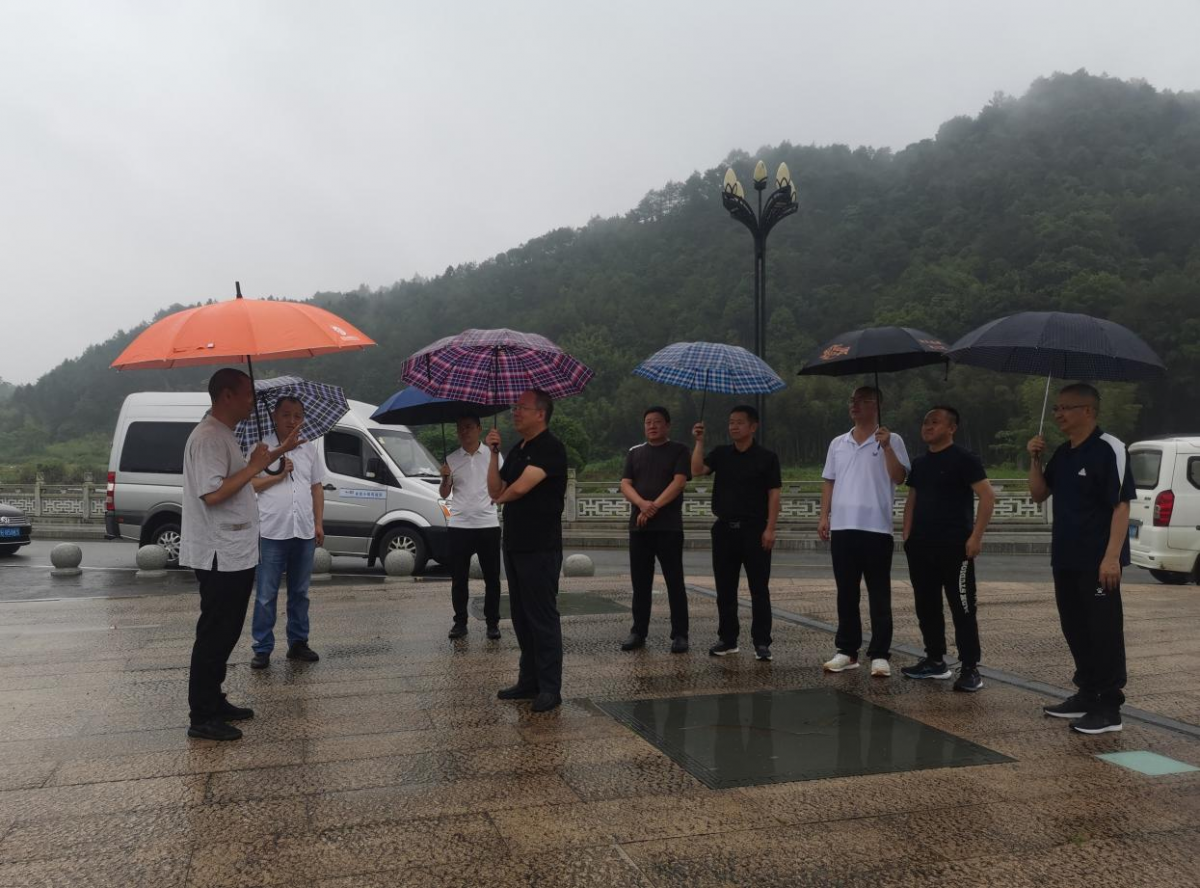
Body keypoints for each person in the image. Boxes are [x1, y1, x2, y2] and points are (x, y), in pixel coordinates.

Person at [181, 369, 299, 741]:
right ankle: (202, 715)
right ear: (227, 395)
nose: (253, 401)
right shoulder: (208, 438)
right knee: (215, 632)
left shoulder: (224, 434)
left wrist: (274, 454)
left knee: (227, 630)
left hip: (234, 551)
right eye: (248, 394)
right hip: (220, 553)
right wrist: (252, 467)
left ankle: (214, 700)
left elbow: (241, 480)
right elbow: (213, 494)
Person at [1028, 383, 1134, 735]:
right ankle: (1087, 693)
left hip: (1098, 562)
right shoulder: (1063, 453)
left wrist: (1111, 558)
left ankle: (1109, 706)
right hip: (1066, 558)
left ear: (1087, 411)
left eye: (1065, 407)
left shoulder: (1110, 448)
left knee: (1103, 631)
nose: (1058, 414)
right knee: (1075, 627)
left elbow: (1121, 505)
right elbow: (1039, 493)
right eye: (1056, 408)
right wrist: (1035, 459)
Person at [901, 406, 995, 692]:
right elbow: (912, 499)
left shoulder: (965, 459)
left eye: (935, 422)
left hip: (956, 547)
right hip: (921, 546)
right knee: (926, 606)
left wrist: (976, 537)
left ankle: (970, 668)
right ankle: (934, 660)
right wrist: (907, 535)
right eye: (925, 422)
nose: (928, 426)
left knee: (962, 607)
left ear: (952, 428)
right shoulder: (920, 463)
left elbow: (987, 497)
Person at [818, 386, 910, 678]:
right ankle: (847, 650)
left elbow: (899, 477)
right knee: (846, 592)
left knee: (879, 594)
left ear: (877, 406)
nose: (854, 405)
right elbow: (829, 480)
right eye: (852, 401)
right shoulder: (838, 442)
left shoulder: (892, 440)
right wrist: (824, 516)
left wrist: (886, 447)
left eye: (862, 401)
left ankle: (880, 654)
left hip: (876, 528)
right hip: (843, 527)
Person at [486, 389, 569, 713]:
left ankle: (550, 687)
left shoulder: (551, 447)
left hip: (540, 546)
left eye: (522, 407)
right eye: (514, 407)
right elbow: (495, 487)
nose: (515, 412)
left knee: (542, 616)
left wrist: (501, 496)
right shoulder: (518, 450)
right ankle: (528, 680)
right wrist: (493, 454)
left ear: (541, 414)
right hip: (515, 543)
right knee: (521, 616)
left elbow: (518, 488)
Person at [691, 405, 782, 662]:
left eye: (740, 422)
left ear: (753, 427)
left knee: (759, 589)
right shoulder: (721, 454)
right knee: (725, 588)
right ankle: (728, 639)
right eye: (731, 422)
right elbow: (696, 470)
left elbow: (774, 493)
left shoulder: (767, 457)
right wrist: (699, 442)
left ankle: (761, 642)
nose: (734, 426)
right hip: (724, 529)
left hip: (755, 530)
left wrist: (770, 528)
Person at [248, 396, 324, 670]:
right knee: (266, 594)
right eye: (286, 415)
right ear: (274, 416)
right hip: (271, 530)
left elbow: (316, 486)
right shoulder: (261, 448)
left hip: (303, 529)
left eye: (297, 416)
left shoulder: (309, 448)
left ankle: (298, 643)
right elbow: (250, 483)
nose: (292, 421)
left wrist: (318, 523)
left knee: (300, 592)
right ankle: (262, 647)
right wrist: (278, 475)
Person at [619, 406, 691, 653]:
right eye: (648, 422)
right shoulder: (635, 453)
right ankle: (638, 631)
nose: (652, 426)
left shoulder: (679, 450)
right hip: (639, 528)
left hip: (669, 527)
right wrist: (641, 504)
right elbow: (625, 484)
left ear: (667, 425)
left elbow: (679, 483)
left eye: (657, 422)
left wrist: (653, 507)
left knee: (674, 581)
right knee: (640, 583)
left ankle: (680, 634)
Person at [440, 413, 503, 641]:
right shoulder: (451, 458)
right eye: (460, 428)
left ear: (479, 428)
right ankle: (460, 622)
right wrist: (445, 478)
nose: (464, 431)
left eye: (468, 427)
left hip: (488, 523)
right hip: (459, 524)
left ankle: (492, 623)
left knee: (492, 578)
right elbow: (444, 493)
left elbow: (502, 483)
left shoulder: (493, 455)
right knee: (459, 578)